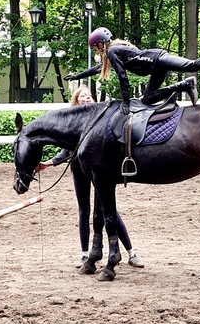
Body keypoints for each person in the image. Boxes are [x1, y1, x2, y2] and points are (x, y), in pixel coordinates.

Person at [35, 85, 144, 269]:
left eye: (89, 95)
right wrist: (50, 163)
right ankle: (85, 254)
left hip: (97, 166)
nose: (88, 98)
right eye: (83, 95)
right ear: (76, 100)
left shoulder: (99, 116)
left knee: (109, 209)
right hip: (78, 167)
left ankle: (131, 252)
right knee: (84, 209)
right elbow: (66, 150)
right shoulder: (72, 120)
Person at [64, 28, 200, 114]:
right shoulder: (113, 53)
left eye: (95, 48)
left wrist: (126, 102)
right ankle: (185, 85)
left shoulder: (112, 51)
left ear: (99, 43)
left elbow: (122, 77)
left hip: (158, 58)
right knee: (148, 99)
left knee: (192, 65)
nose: (95, 51)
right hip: (155, 68)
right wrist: (78, 76)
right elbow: (99, 68)